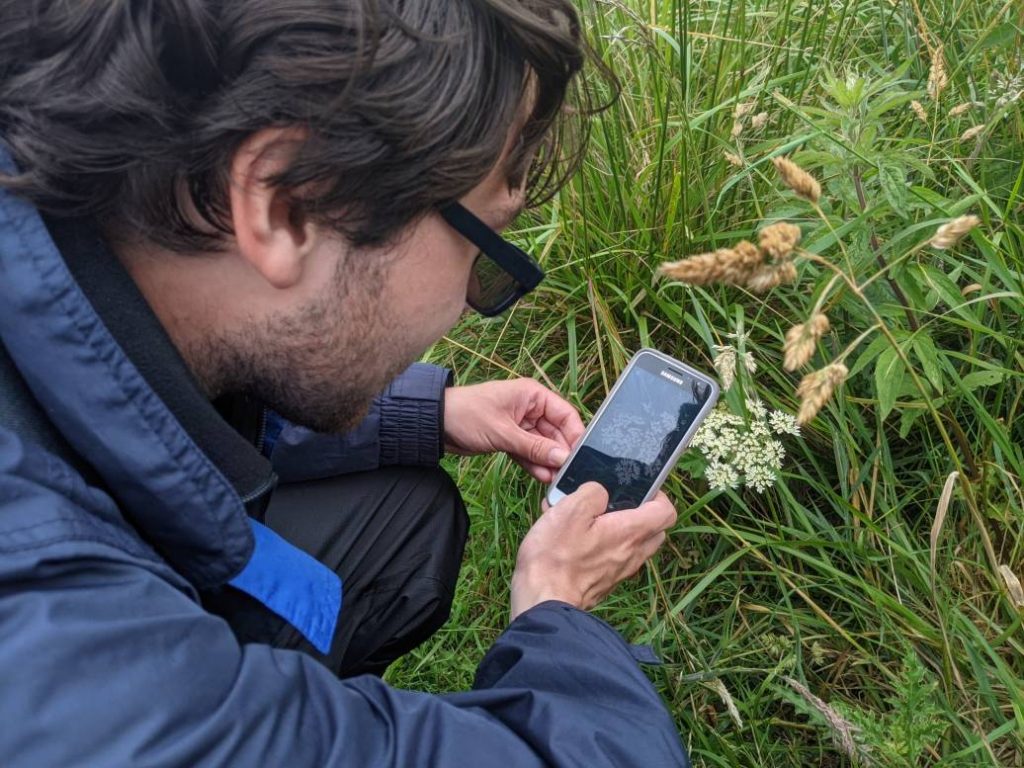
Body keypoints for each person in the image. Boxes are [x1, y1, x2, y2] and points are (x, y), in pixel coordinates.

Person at [0, 1, 689, 765]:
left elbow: (129, 396)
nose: (471, 301)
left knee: (407, 510)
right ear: (286, 205)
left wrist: (425, 412)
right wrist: (556, 609)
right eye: (484, 249)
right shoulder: (62, 653)